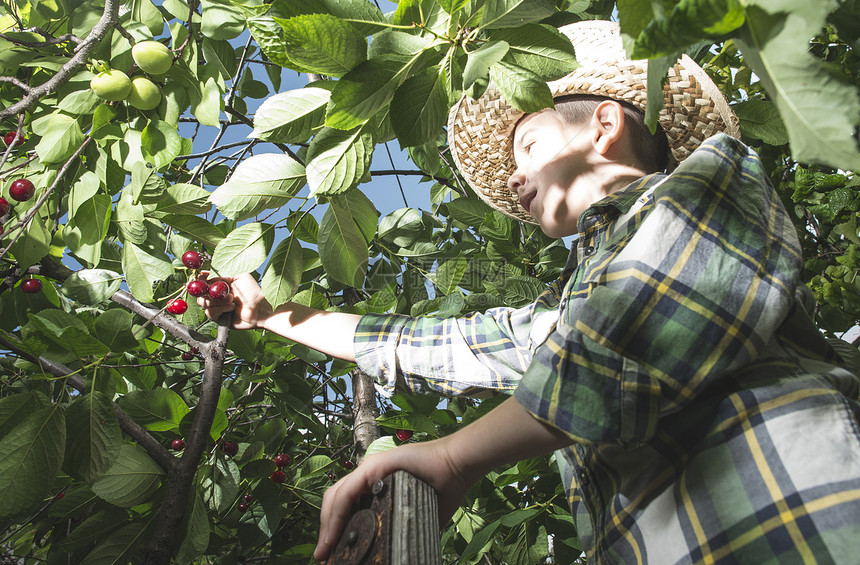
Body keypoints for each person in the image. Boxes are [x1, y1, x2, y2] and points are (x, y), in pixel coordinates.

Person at [200, 21, 860, 564]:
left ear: (605, 125)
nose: (515, 179)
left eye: (530, 145)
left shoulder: (715, 180)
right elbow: (443, 343)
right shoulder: (578, 310)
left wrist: (457, 454)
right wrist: (271, 314)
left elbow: (640, 328)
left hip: (803, 527)